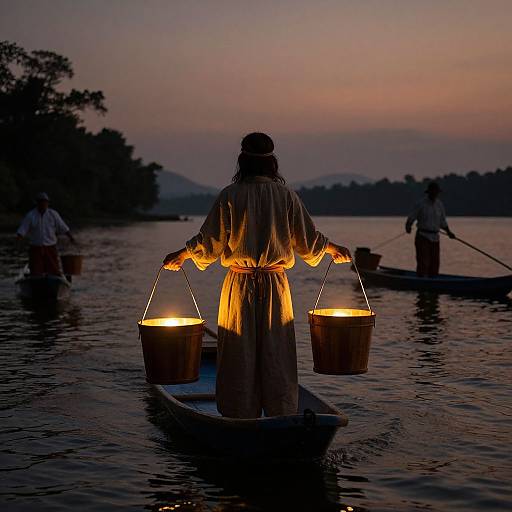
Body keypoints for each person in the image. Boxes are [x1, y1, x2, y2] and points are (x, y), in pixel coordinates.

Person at [163, 132, 351, 419]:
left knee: (239, 351)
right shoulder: (286, 195)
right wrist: (333, 249)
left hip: (238, 285)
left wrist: (182, 254)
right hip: (276, 285)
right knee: (277, 350)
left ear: (242, 161)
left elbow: (209, 241)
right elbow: (307, 239)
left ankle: (240, 413)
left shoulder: (231, 195)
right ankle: (281, 411)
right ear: (272, 164)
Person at [16, 192, 76, 276]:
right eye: (41, 202)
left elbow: (63, 227)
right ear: (37, 203)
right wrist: (18, 243)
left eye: (45, 202)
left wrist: (71, 238)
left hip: (50, 247)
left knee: (54, 270)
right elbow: (22, 230)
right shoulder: (30, 215)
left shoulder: (53, 214)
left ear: (48, 203)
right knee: (35, 271)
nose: (43, 204)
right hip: (35, 248)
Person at [405, 182, 455, 278]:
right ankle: (421, 280)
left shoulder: (439, 205)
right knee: (423, 261)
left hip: (435, 237)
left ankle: (433, 280)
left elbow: (442, 222)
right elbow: (411, 217)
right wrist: (408, 226)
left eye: (436, 192)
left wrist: (449, 232)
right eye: (433, 192)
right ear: (429, 192)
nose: (435, 194)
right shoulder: (420, 204)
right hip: (422, 236)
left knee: (435, 262)